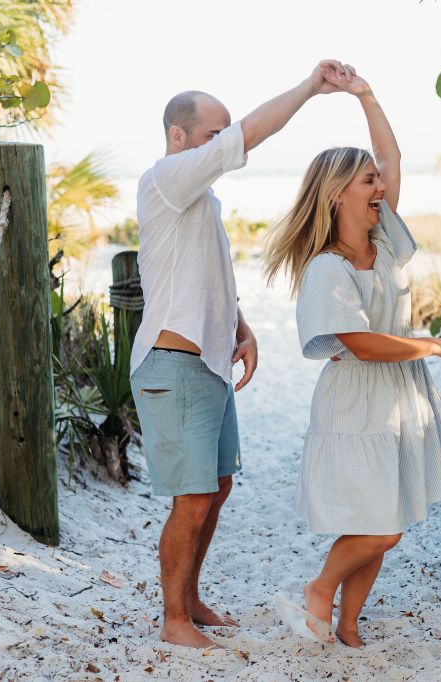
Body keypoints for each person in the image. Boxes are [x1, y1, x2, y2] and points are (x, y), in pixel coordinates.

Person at [129, 60, 353, 650]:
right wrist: (309, 88)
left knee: (218, 487)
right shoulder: (166, 177)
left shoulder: (202, 202)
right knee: (194, 497)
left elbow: (207, 278)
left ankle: (190, 599)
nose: (221, 146)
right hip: (171, 365)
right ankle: (172, 621)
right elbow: (252, 132)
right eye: (212, 135)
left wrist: (243, 328)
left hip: (207, 365)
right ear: (179, 137)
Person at [263, 66, 441, 647]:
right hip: (357, 402)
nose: (380, 187)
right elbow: (358, 344)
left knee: (388, 520)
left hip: (399, 398)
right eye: (367, 182)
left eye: (378, 181)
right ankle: (318, 588)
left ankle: (350, 621)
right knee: (379, 527)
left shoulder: (384, 242)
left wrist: (365, 94)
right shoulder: (326, 269)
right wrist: (436, 344)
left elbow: (392, 155)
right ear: (338, 194)